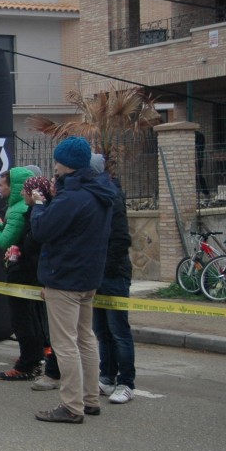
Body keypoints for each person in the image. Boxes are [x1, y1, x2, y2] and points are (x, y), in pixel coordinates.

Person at [29, 136, 116, 424]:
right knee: (86, 339)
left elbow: (43, 230)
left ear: (66, 164)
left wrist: (40, 205)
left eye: (57, 161)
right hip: (89, 276)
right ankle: (90, 400)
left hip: (64, 277)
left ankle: (71, 406)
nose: (54, 166)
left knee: (65, 343)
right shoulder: (101, 192)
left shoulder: (72, 196)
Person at [0, 167, 48, 381]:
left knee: (22, 319)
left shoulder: (17, 210)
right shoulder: (20, 208)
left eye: (1, 185)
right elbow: (11, 232)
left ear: (13, 187)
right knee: (29, 318)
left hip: (21, 272)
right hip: (30, 272)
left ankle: (27, 363)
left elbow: (5, 240)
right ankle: (33, 358)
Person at [90, 153, 136, 405]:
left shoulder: (112, 197)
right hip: (97, 274)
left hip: (114, 274)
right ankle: (106, 378)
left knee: (119, 331)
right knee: (101, 330)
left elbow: (120, 240)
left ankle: (126, 382)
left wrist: (105, 269)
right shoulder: (96, 196)